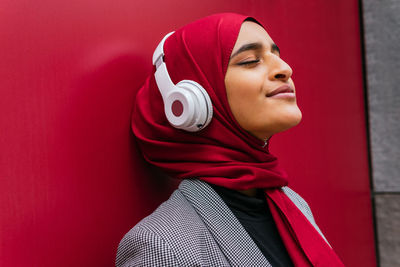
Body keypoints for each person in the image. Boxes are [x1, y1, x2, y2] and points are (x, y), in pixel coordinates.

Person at [116, 13, 344, 266]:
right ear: (192, 101)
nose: (285, 69)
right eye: (250, 60)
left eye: (276, 55)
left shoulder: (294, 205)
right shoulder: (161, 245)